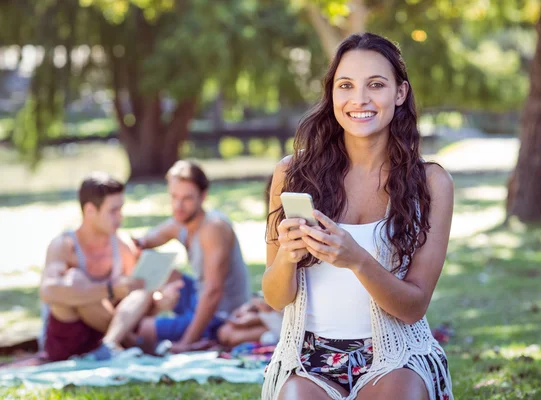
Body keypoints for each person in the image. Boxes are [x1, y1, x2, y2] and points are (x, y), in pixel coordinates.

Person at [262, 32, 454, 400]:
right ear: (331, 93)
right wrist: (287, 254)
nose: (359, 99)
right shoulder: (292, 174)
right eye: (345, 85)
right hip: (307, 359)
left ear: (400, 93)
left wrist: (357, 260)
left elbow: (413, 307)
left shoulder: (431, 182)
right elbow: (275, 297)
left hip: (396, 357)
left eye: (376, 85)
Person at [133, 160, 250, 354]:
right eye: (174, 197)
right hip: (197, 295)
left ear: (203, 196)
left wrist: (185, 343)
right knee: (163, 271)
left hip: (221, 314)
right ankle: (133, 313)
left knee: (143, 328)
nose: (178, 205)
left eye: (187, 198)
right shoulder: (181, 222)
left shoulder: (213, 227)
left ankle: (197, 340)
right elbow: (143, 242)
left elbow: (213, 293)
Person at [39, 173, 148, 361]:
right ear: (90, 211)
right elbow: (48, 291)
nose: (120, 217)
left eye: (121, 209)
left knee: (143, 292)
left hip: (105, 336)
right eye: (113, 211)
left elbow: (132, 301)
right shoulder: (64, 245)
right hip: (68, 340)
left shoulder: (122, 246)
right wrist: (109, 290)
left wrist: (160, 299)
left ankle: (110, 344)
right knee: (76, 281)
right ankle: (130, 343)